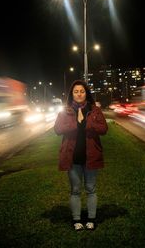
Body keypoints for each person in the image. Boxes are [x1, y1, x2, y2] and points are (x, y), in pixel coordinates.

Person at [54, 80, 108, 231]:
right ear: (72, 94)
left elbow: (104, 129)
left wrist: (87, 125)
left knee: (91, 189)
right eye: (76, 91)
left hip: (91, 155)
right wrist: (75, 125)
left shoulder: (95, 110)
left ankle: (91, 219)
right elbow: (57, 129)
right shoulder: (66, 111)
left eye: (82, 91)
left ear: (86, 93)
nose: (79, 94)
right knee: (75, 190)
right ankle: (76, 220)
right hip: (72, 157)